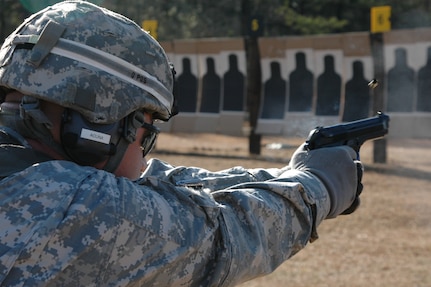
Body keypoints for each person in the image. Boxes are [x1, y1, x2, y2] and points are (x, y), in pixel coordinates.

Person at [0, 1, 363, 286]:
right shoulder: (65, 206)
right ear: (99, 126)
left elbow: (160, 183)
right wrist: (319, 188)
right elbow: (221, 236)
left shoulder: (25, 172)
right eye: (145, 130)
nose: (144, 155)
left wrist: (284, 174)